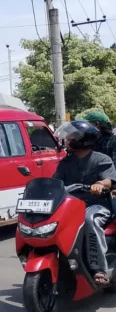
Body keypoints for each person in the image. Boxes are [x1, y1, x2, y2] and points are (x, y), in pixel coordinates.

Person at [52, 120, 116, 285]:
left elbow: (109, 180)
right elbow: (55, 182)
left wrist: (100, 184)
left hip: (96, 205)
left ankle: (99, 268)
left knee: (89, 219)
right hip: (70, 205)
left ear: (82, 140)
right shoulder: (66, 162)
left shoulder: (101, 159)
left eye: (70, 138)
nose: (67, 141)